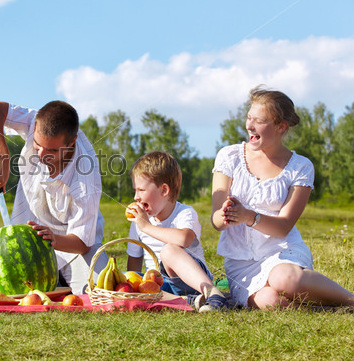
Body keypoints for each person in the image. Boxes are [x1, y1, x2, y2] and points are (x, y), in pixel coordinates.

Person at [211, 85, 354, 309]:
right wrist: (226, 214)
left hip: (282, 251)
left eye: (259, 121)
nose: (250, 125)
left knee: (283, 278)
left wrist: (249, 216)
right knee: (270, 302)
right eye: (249, 117)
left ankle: (350, 300)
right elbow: (216, 223)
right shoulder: (229, 157)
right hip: (241, 263)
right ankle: (326, 306)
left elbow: (283, 227)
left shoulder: (300, 167)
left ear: (281, 126)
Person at [0, 100, 108, 294]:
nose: (41, 155)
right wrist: (1, 154)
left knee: (100, 290)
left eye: (52, 150)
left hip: (72, 244)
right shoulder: (35, 121)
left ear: (72, 141)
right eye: (37, 145)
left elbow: (82, 242)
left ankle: (62, 280)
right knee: (3, 294)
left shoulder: (86, 179)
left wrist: (52, 238)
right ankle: (60, 283)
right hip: (26, 242)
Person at [126, 151, 226, 312]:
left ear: (164, 190)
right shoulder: (139, 220)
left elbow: (184, 239)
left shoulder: (184, 212)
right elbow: (134, 260)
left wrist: (146, 227)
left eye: (141, 190)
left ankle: (212, 293)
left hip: (193, 281)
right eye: (135, 190)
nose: (136, 197)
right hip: (161, 286)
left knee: (169, 251)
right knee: (126, 279)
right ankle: (187, 301)